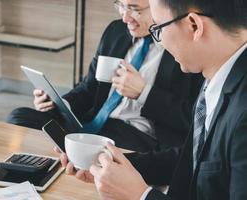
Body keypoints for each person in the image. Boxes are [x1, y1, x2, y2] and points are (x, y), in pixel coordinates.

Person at [60, 0, 247, 199]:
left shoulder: (242, 112)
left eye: (158, 28)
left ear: (194, 26)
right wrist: (107, 165)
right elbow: (192, 159)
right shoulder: (217, 75)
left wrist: (141, 195)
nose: (160, 41)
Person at [7, 0, 203, 152]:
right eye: (121, 5)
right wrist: (60, 104)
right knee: (19, 117)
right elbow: (88, 88)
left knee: (95, 150)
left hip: (136, 133)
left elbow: (191, 118)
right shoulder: (115, 31)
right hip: (94, 122)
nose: (126, 17)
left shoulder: (182, 48)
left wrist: (144, 93)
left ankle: (70, 155)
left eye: (135, 9)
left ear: (158, 7)